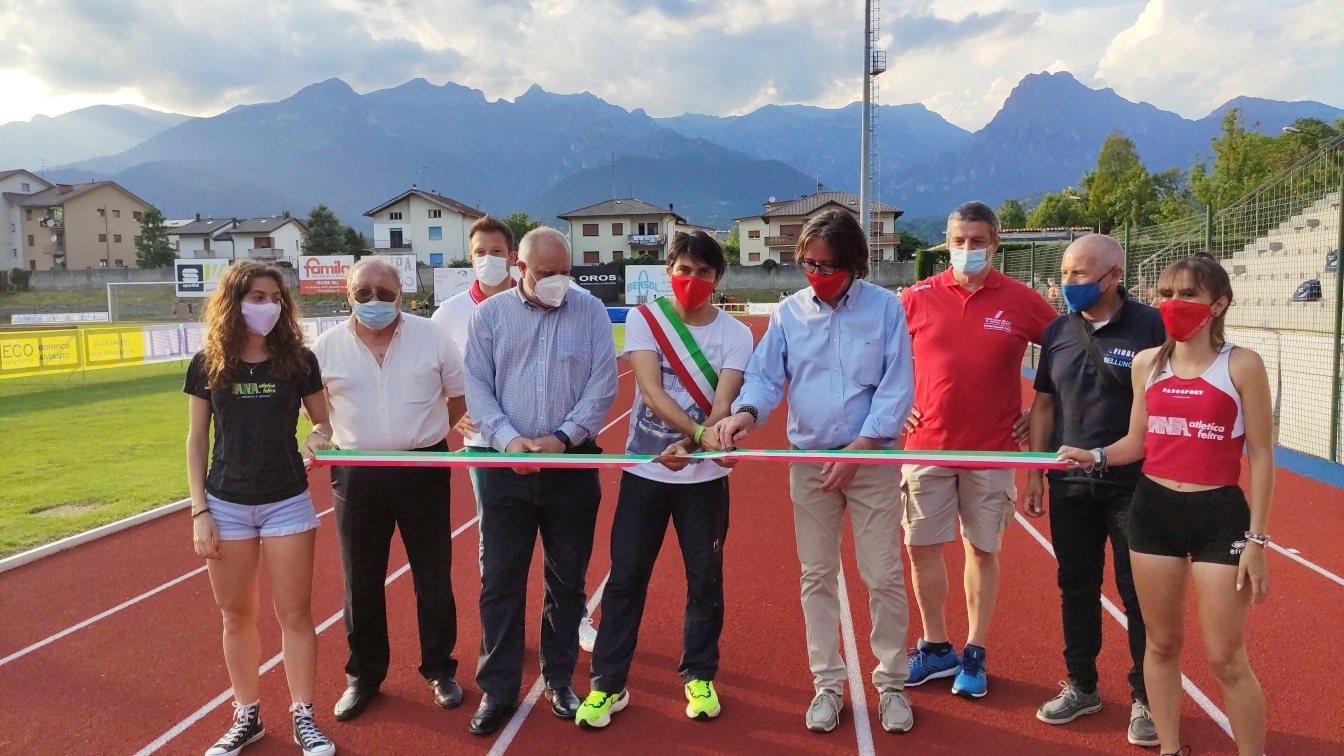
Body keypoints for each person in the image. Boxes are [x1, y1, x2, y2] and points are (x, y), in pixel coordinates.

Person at [1058, 252, 1273, 756]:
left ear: (1219, 304)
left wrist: (1258, 540)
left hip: (1219, 516)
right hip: (1152, 512)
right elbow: (1138, 441)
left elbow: (1262, 456)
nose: (1173, 303)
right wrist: (1095, 455)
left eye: (1188, 294)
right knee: (1160, 644)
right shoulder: (1147, 363)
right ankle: (1170, 748)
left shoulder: (1242, 364)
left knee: (1226, 658)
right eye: (1166, 293)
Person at [716, 209, 917, 735]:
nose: (816, 274)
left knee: (883, 574)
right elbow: (764, 379)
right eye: (808, 264)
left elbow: (897, 387)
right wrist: (743, 414)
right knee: (816, 575)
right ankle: (827, 685)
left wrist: (860, 448)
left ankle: (892, 684)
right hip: (808, 462)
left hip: (871, 460)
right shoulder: (788, 313)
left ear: (853, 263)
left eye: (827, 265)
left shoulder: (886, 309)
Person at [575, 231, 752, 729]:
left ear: (717, 278)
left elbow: (724, 403)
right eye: (684, 269)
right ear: (669, 270)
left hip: (704, 477)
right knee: (626, 579)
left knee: (704, 580)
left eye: (703, 272)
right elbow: (651, 392)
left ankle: (700, 675)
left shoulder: (736, 334)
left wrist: (694, 446)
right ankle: (608, 685)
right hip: (646, 471)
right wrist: (695, 434)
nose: (692, 279)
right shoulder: (645, 319)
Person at [900, 201, 1058, 699]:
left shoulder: (1022, 300)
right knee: (920, 547)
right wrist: (897, 404)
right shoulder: (917, 297)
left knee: (982, 549)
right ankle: (935, 646)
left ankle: (974, 650)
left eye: (977, 241)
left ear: (994, 244)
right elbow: (879, 359)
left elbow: (1068, 355)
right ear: (946, 243)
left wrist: (1042, 409)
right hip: (926, 447)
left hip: (992, 450)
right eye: (959, 241)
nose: (967, 249)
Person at [463, 227, 618, 736]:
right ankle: (498, 689)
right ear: (519, 267)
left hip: (570, 467)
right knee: (500, 582)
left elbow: (603, 386)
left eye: (565, 273)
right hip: (504, 470)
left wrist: (562, 439)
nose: (558, 282)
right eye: (546, 273)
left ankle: (559, 679)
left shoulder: (590, 311)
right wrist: (510, 441)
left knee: (567, 582)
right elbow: (477, 386)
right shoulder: (490, 316)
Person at [185, 259, 335, 756]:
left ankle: (304, 716)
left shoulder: (299, 360)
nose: (267, 306)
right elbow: (196, 440)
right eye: (256, 298)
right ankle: (246, 715)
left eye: (275, 298)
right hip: (225, 504)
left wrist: (319, 436)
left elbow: (324, 422)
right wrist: (199, 511)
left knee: (295, 614)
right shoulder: (208, 363)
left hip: (286, 501)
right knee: (236, 616)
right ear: (234, 302)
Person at [311, 257, 468, 722]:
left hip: (423, 467)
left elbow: (459, 397)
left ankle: (439, 669)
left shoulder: (432, 336)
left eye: (385, 292)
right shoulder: (326, 347)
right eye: (364, 292)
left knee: (432, 574)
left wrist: (429, 433)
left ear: (402, 293)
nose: (374, 300)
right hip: (356, 472)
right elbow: (316, 410)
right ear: (348, 295)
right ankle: (364, 675)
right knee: (360, 579)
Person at [1024, 235, 1165, 746]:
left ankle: (1147, 697)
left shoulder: (1152, 326)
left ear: (1114, 275)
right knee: (1076, 586)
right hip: (1069, 485)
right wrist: (1035, 473)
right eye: (1065, 273)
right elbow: (1044, 405)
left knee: (1137, 594)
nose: (1069, 283)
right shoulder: (1057, 330)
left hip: (1134, 485)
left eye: (1080, 274)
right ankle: (1082, 685)